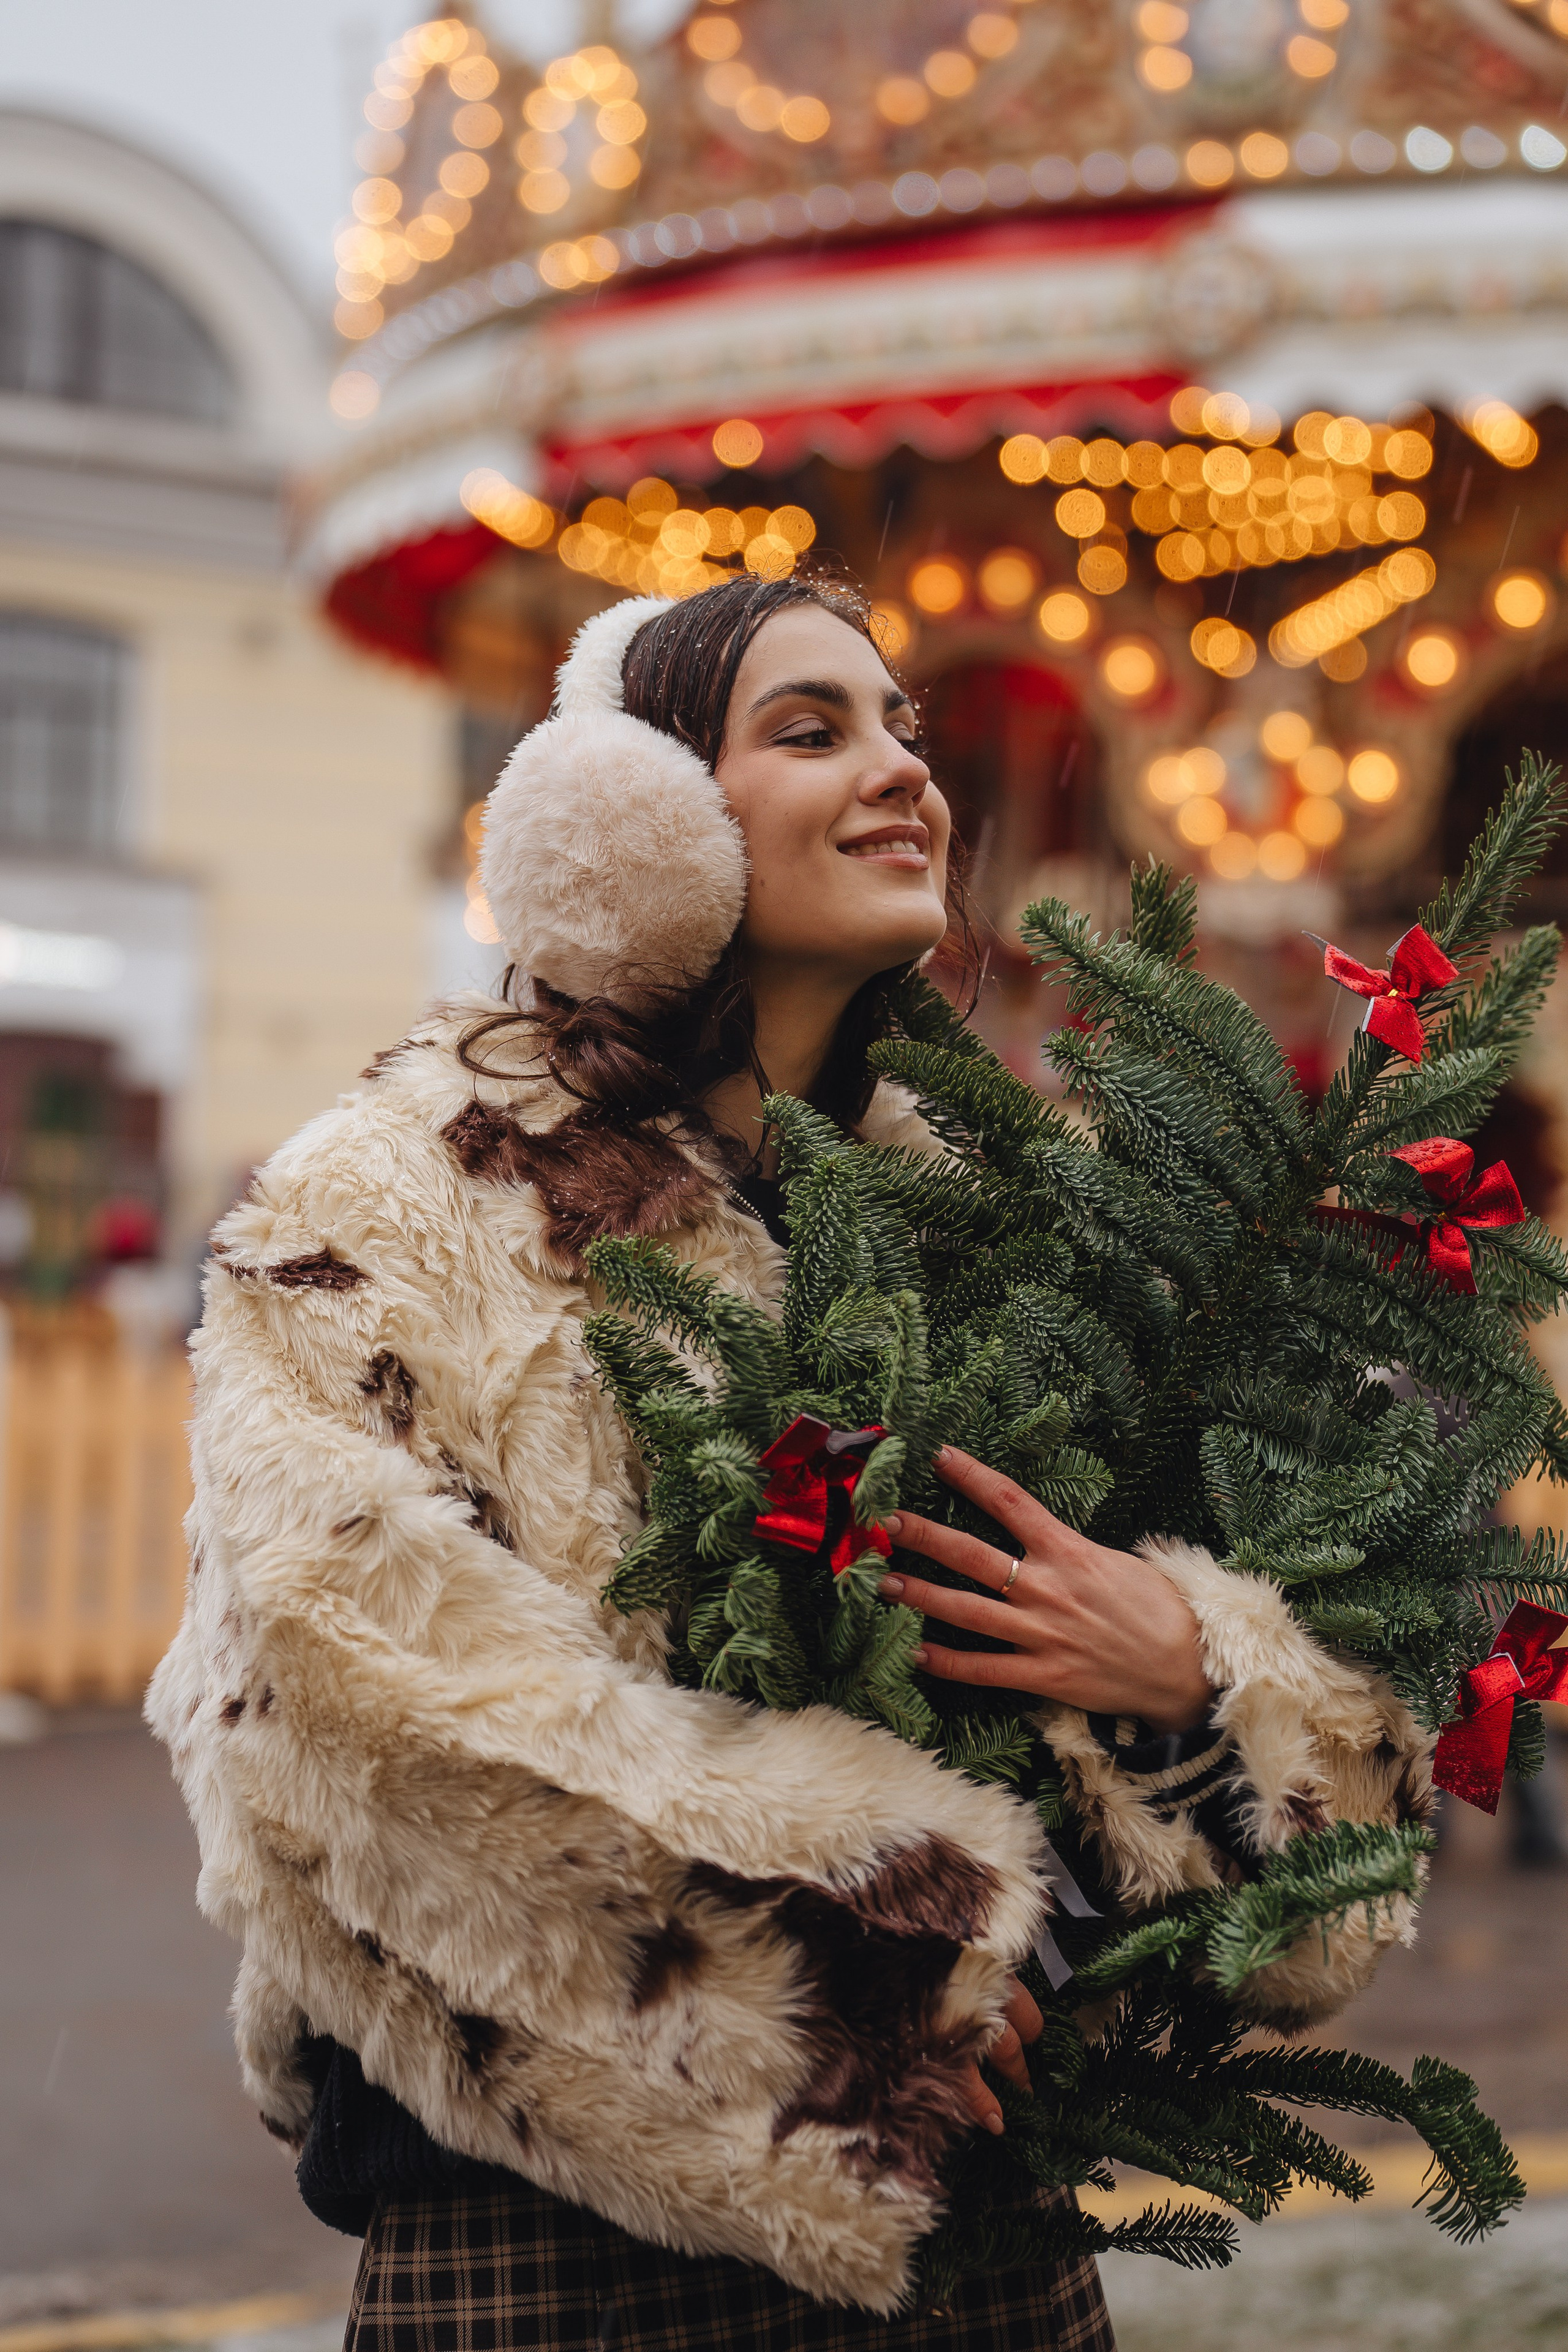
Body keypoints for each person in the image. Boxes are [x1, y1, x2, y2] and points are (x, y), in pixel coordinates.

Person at [149, 574, 1431, 2351]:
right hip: (561, 2234)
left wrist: (1195, 1672)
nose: (907, 769)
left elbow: (1297, 1794)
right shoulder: (391, 1202)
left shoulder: (987, 1221)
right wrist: (887, 1965)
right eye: (814, 730)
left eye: (908, 725)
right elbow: (351, 1694)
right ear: (638, 825)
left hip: (983, 2236)